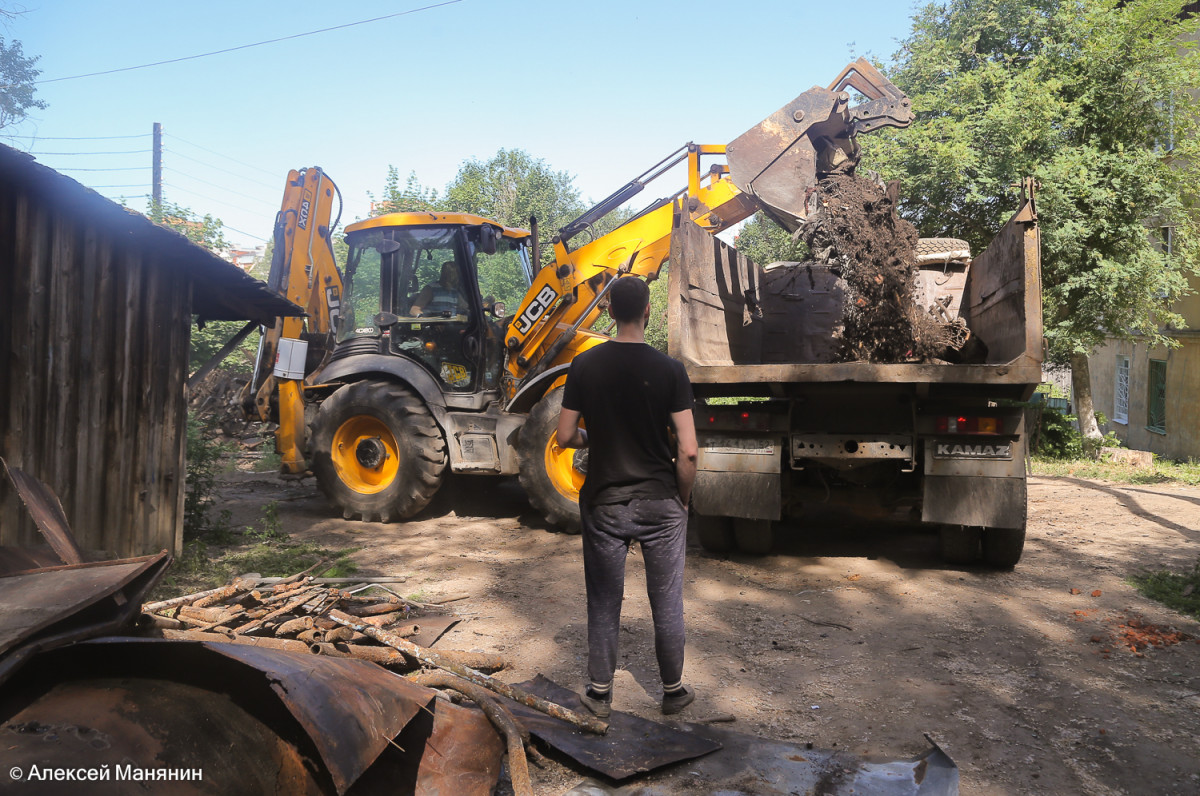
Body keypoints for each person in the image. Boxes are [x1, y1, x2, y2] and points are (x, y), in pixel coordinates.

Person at [556, 276, 699, 718]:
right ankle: (673, 692)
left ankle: (599, 692)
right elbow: (689, 450)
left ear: (611, 312)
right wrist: (683, 500)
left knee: (603, 597)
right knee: (667, 598)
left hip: (605, 504)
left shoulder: (584, 365)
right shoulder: (670, 370)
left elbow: (563, 435)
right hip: (661, 502)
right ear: (648, 311)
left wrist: (592, 436)